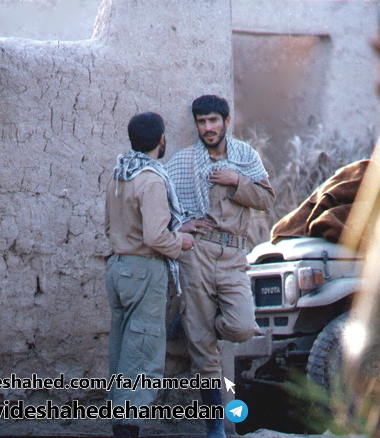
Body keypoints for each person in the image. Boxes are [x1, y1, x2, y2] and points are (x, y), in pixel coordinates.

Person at [165, 95, 276, 438]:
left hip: (233, 255)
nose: (208, 128)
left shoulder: (245, 157)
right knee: (203, 350)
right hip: (196, 253)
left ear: (227, 122)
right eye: (201, 122)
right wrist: (180, 227)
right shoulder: (183, 162)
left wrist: (236, 181)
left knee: (241, 327)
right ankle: (215, 425)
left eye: (213, 120)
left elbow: (266, 198)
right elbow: (163, 204)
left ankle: (193, 323)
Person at [105, 112, 194, 437]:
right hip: (144, 270)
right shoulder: (152, 179)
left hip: (118, 268)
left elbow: (108, 226)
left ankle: (121, 424)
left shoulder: (119, 174)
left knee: (122, 353)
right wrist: (180, 241)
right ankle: (127, 429)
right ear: (161, 140)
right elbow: (156, 237)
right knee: (141, 355)